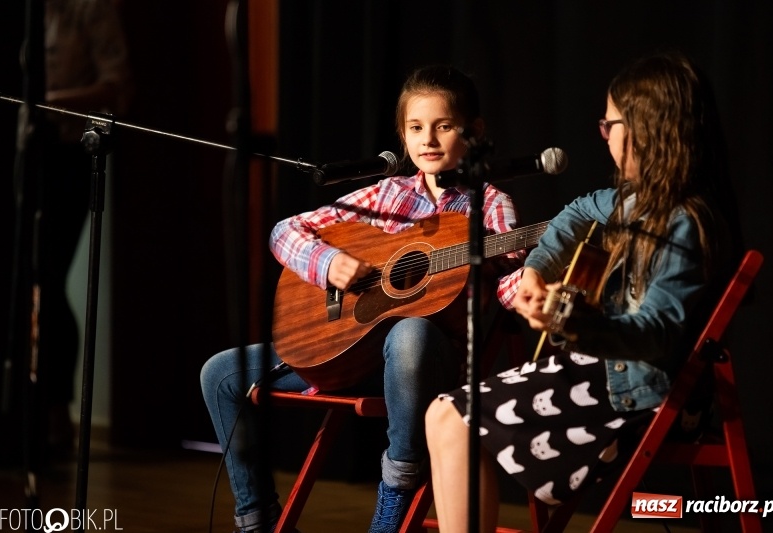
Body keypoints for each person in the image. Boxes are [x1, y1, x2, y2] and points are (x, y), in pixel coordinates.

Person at [200, 65, 527, 533]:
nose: (428, 140)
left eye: (444, 126)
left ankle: (393, 502)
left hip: (422, 370)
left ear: (474, 132)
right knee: (220, 375)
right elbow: (285, 230)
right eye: (416, 128)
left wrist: (534, 276)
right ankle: (260, 522)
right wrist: (329, 263)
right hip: (348, 353)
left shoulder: (490, 205)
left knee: (410, 331)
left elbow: (509, 282)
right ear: (402, 134)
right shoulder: (387, 194)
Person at [425, 52, 739, 531]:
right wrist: (534, 270)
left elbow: (656, 332)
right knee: (444, 414)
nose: (605, 135)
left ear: (646, 129)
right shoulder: (633, 201)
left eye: (609, 124)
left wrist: (575, 323)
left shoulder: (684, 223)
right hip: (603, 374)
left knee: (452, 421)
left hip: (639, 395)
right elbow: (575, 212)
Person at [31, 0, 132, 455]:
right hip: (23, 151)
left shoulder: (90, 8)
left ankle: (56, 412)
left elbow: (118, 85)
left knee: (49, 281)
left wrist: (45, 102)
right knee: (27, 284)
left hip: (65, 152)